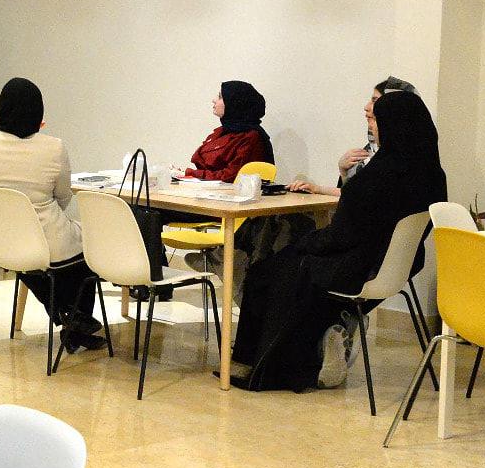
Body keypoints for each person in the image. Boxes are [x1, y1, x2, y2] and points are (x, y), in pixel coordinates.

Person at [231, 90, 446, 392]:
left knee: (269, 271)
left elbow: (341, 235)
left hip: (358, 267)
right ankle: (318, 348)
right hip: (397, 266)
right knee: (289, 264)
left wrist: (304, 243)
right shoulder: (432, 173)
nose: (373, 127)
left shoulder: (379, 175)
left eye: (377, 120)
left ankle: (264, 366)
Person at [0, 78, 103, 352]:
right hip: (47, 244)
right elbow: (64, 197)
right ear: (39, 112)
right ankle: (73, 321)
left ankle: (64, 313)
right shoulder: (54, 147)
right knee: (84, 249)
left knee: (31, 261)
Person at [288, 76, 417, 197]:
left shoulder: (399, 157)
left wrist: (319, 189)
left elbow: (365, 197)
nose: (366, 107)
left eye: (375, 101)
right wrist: (344, 173)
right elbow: (354, 194)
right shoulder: (372, 151)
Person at [179, 81, 274, 181]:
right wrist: (183, 174)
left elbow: (230, 177)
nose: (214, 100)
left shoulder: (251, 137)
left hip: (231, 190)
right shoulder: (222, 131)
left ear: (234, 104)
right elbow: (203, 164)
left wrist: (191, 173)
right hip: (210, 189)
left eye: (220, 97)